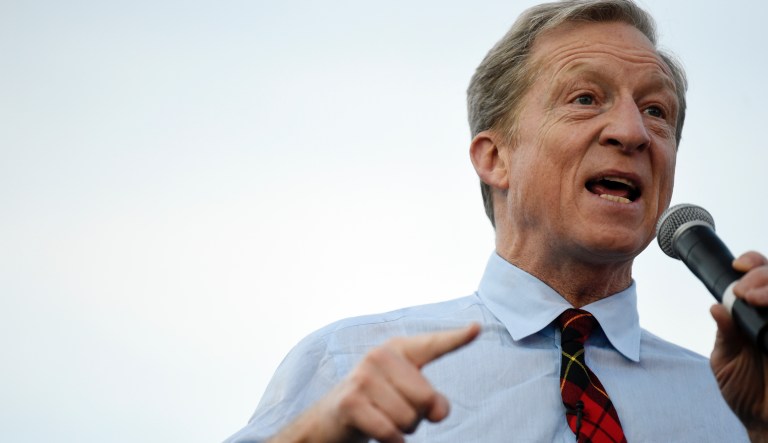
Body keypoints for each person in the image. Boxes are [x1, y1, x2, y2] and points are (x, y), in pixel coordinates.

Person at [226, 0, 768, 441]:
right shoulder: (349, 367)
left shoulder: (734, 404)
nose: (632, 132)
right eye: (585, 98)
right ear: (495, 158)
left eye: (656, 111)